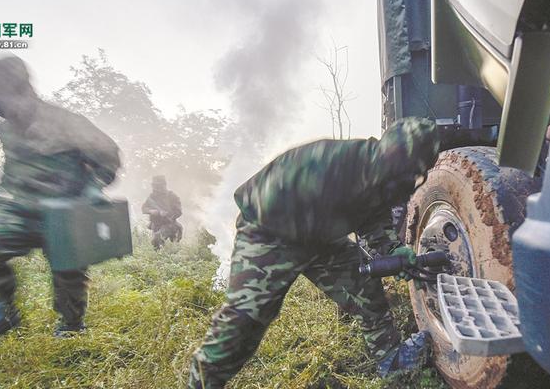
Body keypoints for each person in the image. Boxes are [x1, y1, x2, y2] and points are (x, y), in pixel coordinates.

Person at [188, 118, 440, 388]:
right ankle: (203, 382)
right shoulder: (330, 163)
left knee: (365, 289)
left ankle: (391, 361)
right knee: (245, 319)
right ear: (392, 156)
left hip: (320, 238)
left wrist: (391, 249)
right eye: (407, 172)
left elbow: (373, 215)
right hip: (270, 233)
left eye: (416, 173)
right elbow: (275, 197)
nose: (409, 180)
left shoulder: (386, 177)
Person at [0, 56, 121, 346]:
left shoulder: (67, 122)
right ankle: (3, 310)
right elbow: (13, 167)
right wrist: (1, 192)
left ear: (25, 89)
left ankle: (71, 326)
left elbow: (109, 156)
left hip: (64, 213)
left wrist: (93, 187)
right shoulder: (5, 129)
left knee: (68, 272)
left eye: (7, 96)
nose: (6, 107)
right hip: (22, 210)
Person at [142, 175, 183, 248]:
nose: (157, 188)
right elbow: (144, 208)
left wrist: (167, 214)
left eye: (159, 186)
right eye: (155, 186)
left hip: (169, 224)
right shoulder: (152, 197)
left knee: (159, 240)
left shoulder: (172, 196)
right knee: (156, 246)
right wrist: (152, 211)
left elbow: (178, 211)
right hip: (156, 225)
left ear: (164, 185)